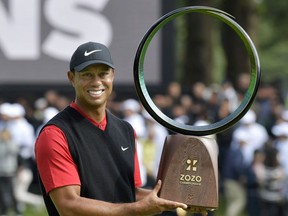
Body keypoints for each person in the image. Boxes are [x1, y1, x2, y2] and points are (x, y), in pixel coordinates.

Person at [34, 41, 188, 216]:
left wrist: (181, 198)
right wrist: (138, 210)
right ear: (71, 77)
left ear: (112, 75)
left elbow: (131, 194)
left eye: (103, 73)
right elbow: (69, 207)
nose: (96, 82)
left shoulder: (125, 130)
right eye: (87, 75)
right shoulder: (55, 134)